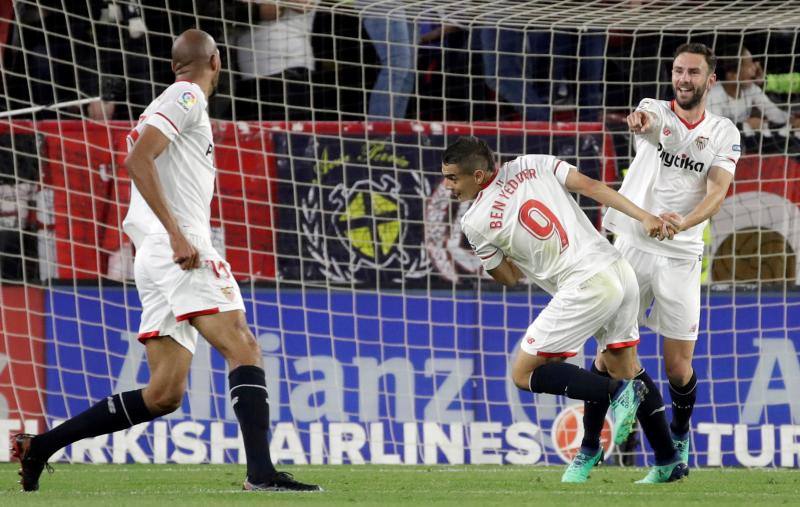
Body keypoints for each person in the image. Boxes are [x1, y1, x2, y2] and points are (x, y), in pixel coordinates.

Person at [11, 29, 320, 493]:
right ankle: (262, 474)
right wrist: (177, 233)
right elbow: (137, 158)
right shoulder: (186, 95)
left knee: (163, 394)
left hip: (152, 255)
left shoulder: (174, 97)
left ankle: (42, 446)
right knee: (244, 347)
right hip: (179, 247)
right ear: (216, 61)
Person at [442, 136, 687, 484]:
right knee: (624, 365)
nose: (447, 185)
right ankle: (666, 460)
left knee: (524, 374)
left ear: (478, 176)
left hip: (586, 284)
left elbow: (509, 278)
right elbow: (590, 186)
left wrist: (509, 254)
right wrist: (644, 216)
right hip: (616, 268)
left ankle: (620, 395)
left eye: (452, 178)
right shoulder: (530, 162)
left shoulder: (475, 221)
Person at [580, 43, 741, 477]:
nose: (683, 79)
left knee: (677, 366)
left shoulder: (725, 133)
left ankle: (679, 436)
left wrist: (682, 222)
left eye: (693, 73)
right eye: (677, 71)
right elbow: (645, 122)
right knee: (607, 353)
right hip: (632, 244)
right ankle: (590, 446)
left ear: (710, 80)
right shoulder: (655, 110)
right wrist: (640, 121)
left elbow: (716, 192)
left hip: (682, 254)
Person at [232, 0, 317, 121]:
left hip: (287, 69)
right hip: (246, 74)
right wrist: (256, 10)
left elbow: (303, 4)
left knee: (285, 133)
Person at [707, 46, 800, 154]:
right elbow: (714, 133)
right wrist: (745, 125)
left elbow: (774, 113)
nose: (755, 68)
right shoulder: (713, 95)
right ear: (732, 75)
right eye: (749, 65)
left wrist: (793, 120)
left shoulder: (751, 89)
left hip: (746, 142)